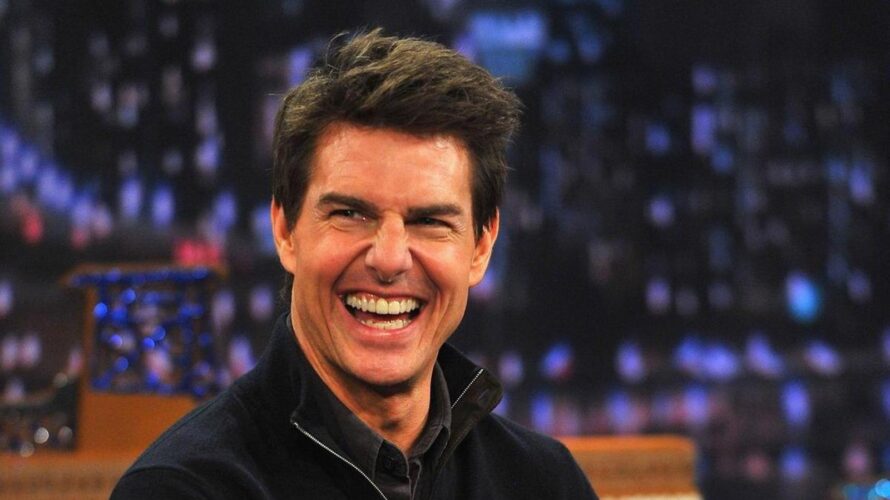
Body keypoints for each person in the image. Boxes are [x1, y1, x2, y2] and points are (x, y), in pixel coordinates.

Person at [112, 29, 598, 500]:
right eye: (350, 214)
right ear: (285, 230)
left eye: (429, 221)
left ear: (481, 246)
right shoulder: (181, 488)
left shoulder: (543, 482)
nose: (389, 258)